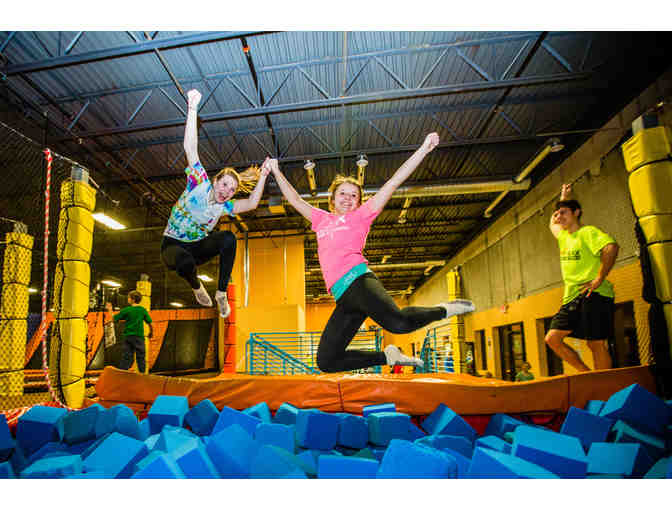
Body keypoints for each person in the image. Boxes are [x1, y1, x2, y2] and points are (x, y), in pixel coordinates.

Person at [265, 132, 475, 373]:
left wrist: (423, 150)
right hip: (342, 296)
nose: (348, 198)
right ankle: (387, 357)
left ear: (359, 202)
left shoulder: (361, 216)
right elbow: (294, 199)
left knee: (398, 323)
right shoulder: (321, 219)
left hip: (359, 282)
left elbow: (393, 182)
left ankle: (446, 309)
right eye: (343, 193)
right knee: (326, 361)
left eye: (353, 195)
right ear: (332, 198)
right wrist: (276, 171)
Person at [160, 89, 271, 317]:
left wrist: (263, 176)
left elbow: (251, 203)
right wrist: (192, 108)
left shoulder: (224, 207)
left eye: (231, 190)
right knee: (184, 261)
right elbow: (190, 147)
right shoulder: (198, 182)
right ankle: (196, 287)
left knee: (229, 238)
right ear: (215, 180)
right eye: (224, 185)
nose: (226, 192)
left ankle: (221, 293)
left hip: (197, 247)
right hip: (172, 246)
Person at [545, 183, 619, 372]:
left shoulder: (587, 232)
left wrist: (599, 278)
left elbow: (611, 247)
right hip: (572, 296)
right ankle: (586, 375)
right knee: (552, 339)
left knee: (595, 343)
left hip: (594, 293)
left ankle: (603, 383)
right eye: (557, 214)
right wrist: (563, 199)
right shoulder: (563, 237)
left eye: (564, 213)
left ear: (576, 213)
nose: (558, 217)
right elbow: (552, 223)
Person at [106, 291, 153, 373]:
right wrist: (151, 332)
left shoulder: (126, 310)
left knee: (127, 357)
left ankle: (122, 373)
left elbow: (114, 318)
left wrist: (110, 309)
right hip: (138, 337)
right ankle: (143, 374)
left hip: (128, 337)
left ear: (133, 299)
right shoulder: (142, 310)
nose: (127, 299)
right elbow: (150, 323)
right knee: (141, 357)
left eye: (128, 298)